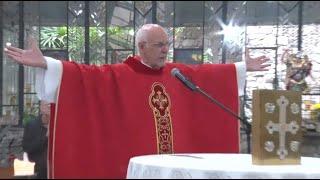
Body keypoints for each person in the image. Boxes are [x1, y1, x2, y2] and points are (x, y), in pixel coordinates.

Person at [5, 24, 270, 178]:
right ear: (141, 47)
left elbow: (210, 75)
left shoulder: (178, 74)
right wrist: (47, 64)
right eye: (158, 45)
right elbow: (83, 76)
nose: (165, 49)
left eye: (166, 44)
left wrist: (241, 68)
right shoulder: (118, 75)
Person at [22, 101, 50, 179]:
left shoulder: (59, 124)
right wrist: (45, 137)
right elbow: (27, 148)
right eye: (48, 105)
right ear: (41, 107)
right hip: (38, 170)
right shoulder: (32, 125)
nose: (50, 107)